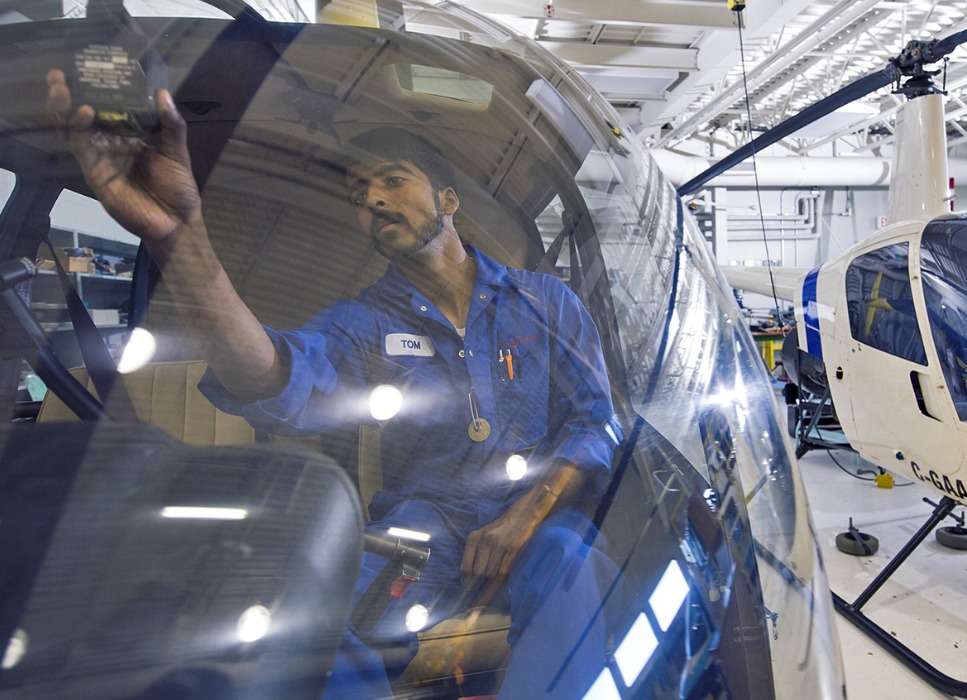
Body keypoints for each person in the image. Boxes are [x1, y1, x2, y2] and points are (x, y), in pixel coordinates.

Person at [46, 71, 620, 699]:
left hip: (537, 520)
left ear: (449, 200)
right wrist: (178, 241)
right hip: (421, 530)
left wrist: (529, 512)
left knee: (575, 563)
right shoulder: (365, 322)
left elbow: (596, 421)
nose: (371, 198)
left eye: (392, 179)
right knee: (307, 618)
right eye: (358, 192)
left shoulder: (546, 303)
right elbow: (277, 373)